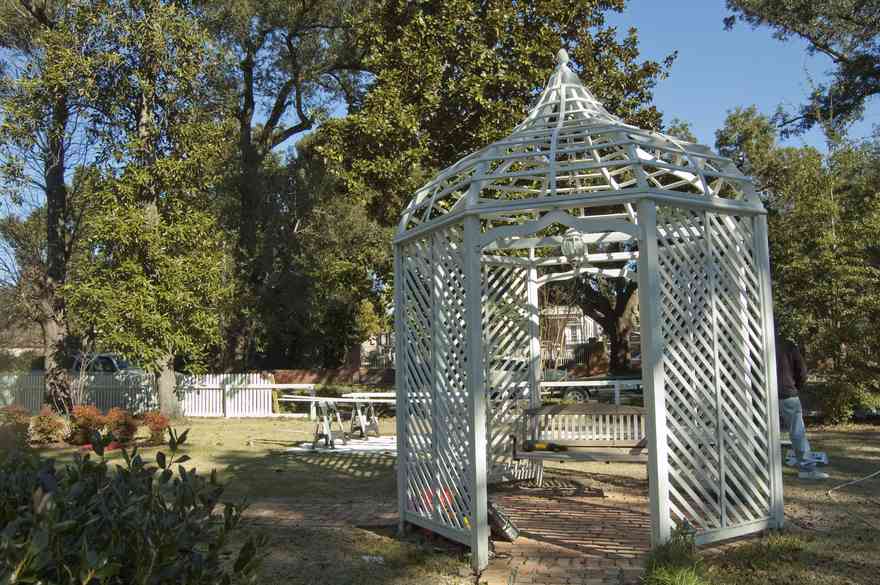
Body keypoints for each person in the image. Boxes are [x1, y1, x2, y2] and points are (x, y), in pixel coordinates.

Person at [776, 333, 828, 480]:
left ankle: (760, 465)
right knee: (797, 432)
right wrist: (795, 387)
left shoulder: (757, 342)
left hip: (763, 395)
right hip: (788, 393)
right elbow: (802, 371)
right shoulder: (788, 345)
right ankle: (806, 468)